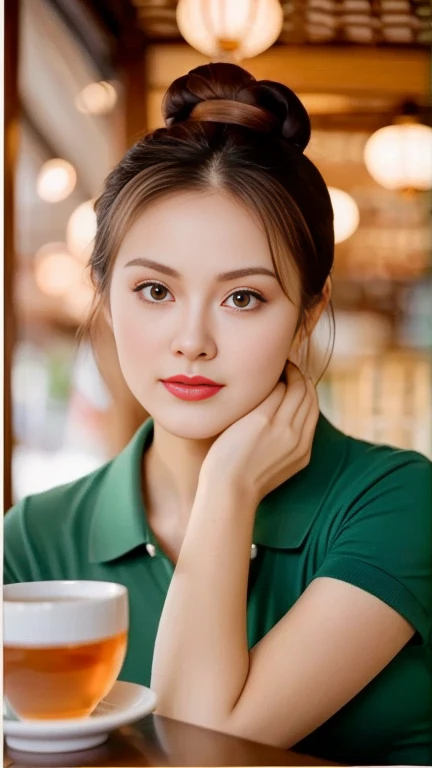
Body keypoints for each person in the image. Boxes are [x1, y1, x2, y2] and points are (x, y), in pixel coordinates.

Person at [4, 63, 431, 766]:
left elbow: (200, 749)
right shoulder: (37, 540)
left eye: (243, 298)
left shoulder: (398, 501)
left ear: (307, 315)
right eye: (153, 290)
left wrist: (228, 489)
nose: (192, 340)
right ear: (105, 296)